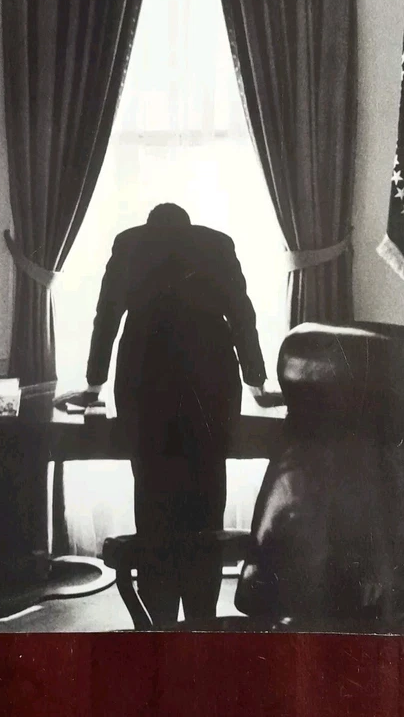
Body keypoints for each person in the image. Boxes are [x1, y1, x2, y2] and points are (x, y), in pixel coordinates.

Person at [83, 203, 267, 627]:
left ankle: (160, 619)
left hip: (145, 388)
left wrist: (93, 383)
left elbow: (106, 317)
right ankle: (202, 617)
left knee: (153, 501)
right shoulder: (217, 245)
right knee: (207, 501)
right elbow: (243, 315)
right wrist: (257, 381)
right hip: (210, 387)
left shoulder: (128, 245)